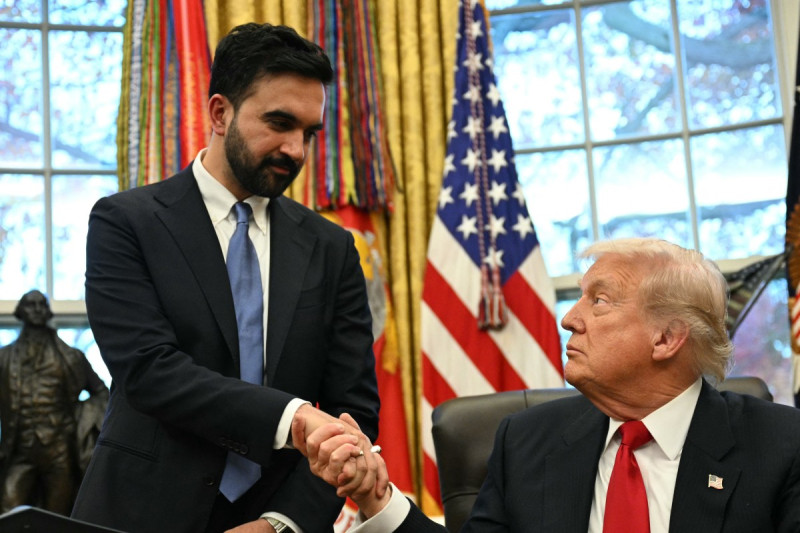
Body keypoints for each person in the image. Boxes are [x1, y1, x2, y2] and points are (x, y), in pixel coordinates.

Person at [70, 22, 380, 533]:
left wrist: (282, 523)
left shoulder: (332, 248)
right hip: (139, 513)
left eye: (309, 132)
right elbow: (149, 371)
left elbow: (355, 412)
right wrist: (292, 417)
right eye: (279, 123)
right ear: (220, 113)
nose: (297, 150)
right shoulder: (126, 222)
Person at [305, 238, 800, 532]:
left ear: (667, 338)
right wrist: (376, 496)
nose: (569, 319)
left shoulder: (781, 447)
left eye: (599, 301)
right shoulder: (526, 443)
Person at [0, 290, 108, 515]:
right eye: (31, 305)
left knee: (58, 516)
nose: (37, 309)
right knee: (8, 508)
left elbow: (101, 393)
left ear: (48, 311)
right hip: (20, 449)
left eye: (42, 304)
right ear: (20, 312)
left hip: (59, 448)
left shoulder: (70, 357)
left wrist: (82, 419)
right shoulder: (4, 358)